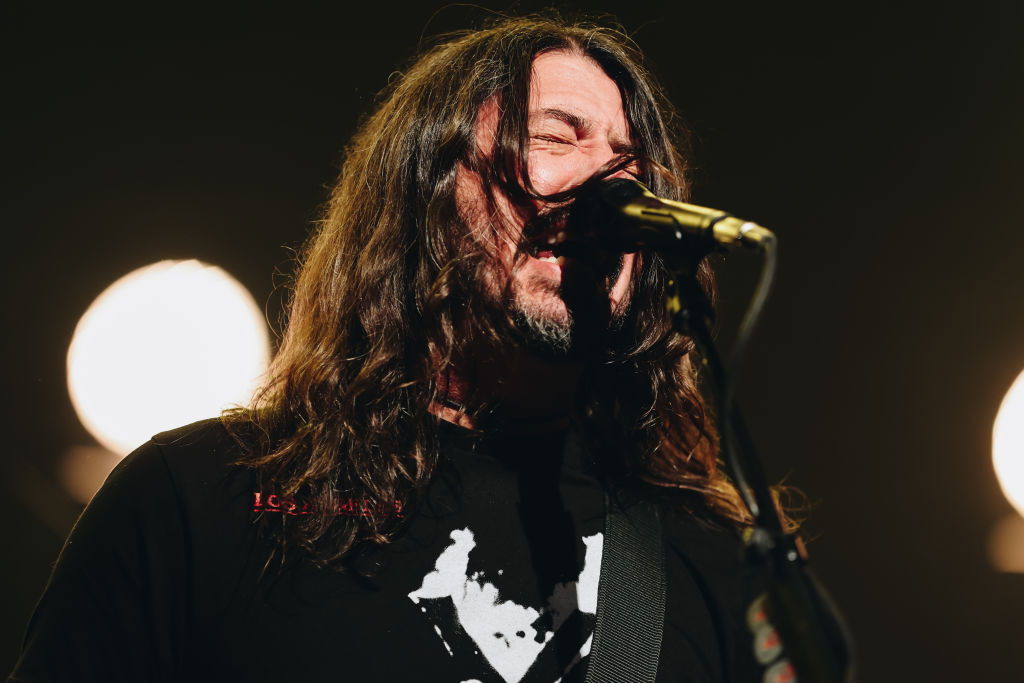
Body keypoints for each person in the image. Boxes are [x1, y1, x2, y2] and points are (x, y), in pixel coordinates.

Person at [10, 14, 783, 683]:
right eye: (555, 136)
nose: (612, 186)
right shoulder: (200, 502)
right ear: (428, 187)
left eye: (630, 165)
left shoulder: (716, 561)